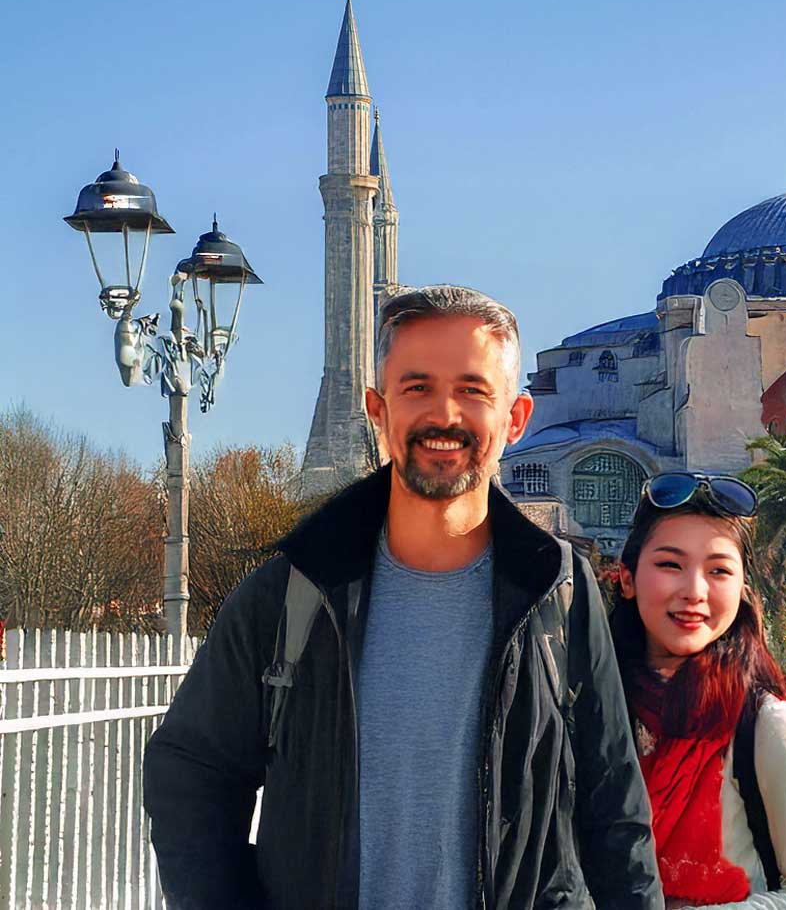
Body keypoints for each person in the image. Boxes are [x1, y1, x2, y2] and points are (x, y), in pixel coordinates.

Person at [144, 285, 661, 909]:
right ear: (377, 410)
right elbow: (191, 771)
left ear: (515, 419)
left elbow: (616, 815)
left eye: (472, 390)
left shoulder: (561, 593)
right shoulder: (294, 592)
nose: (444, 415)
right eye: (417, 387)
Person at [611, 471, 786, 909]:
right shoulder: (590, 708)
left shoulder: (759, 720)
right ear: (626, 577)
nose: (694, 591)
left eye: (718, 570)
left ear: (741, 589)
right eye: (669, 564)